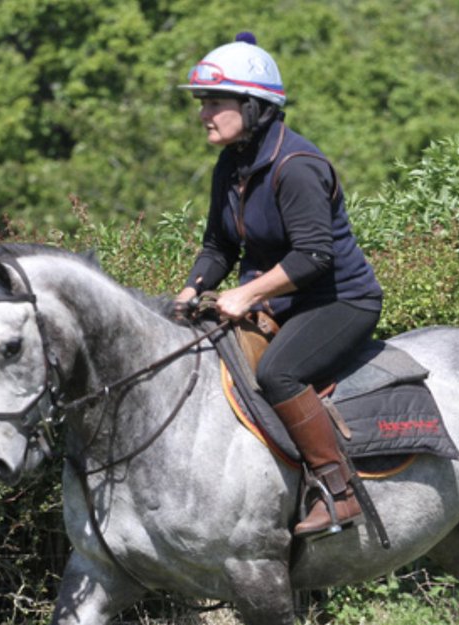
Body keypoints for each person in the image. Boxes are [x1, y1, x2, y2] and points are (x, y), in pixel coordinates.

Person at [175, 32, 384, 540]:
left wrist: (247, 294)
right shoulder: (232, 164)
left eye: (215, 102)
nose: (204, 113)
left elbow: (314, 256)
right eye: (202, 102)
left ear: (254, 106)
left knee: (279, 374)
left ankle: (339, 492)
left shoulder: (299, 166)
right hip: (280, 301)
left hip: (338, 301)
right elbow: (220, 246)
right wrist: (188, 291)